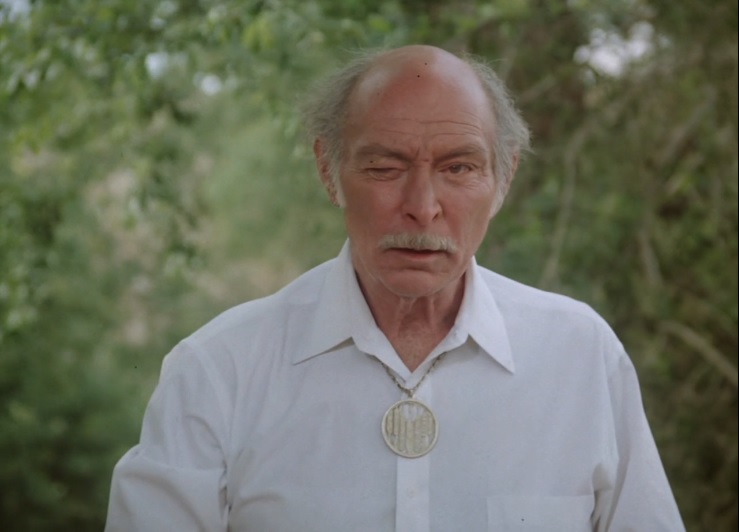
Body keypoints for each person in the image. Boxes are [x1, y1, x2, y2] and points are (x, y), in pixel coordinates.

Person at [105, 45, 685, 531]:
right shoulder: (218, 371)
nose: (422, 207)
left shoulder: (581, 355)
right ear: (328, 171)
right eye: (385, 168)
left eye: (459, 168)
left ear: (504, 176)